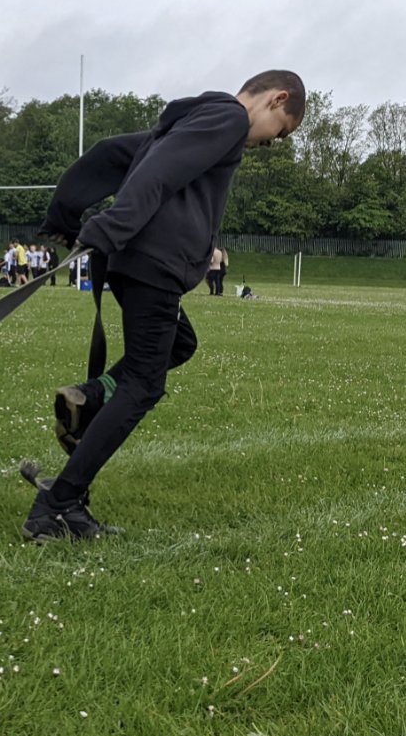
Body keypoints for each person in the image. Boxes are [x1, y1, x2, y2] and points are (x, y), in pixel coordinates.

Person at [24, 69, 306, 541]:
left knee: (180, 342)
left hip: (139, 263)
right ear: (278, 99)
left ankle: (90, 398)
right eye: (280, 134)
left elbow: (109, 154)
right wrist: (113, 225)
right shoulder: (229, 119)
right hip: (153, 264)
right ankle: (58, 505)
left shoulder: (188, 120)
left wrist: (64, 213)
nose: (268, 144)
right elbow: (158, 172)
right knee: (143, 385)